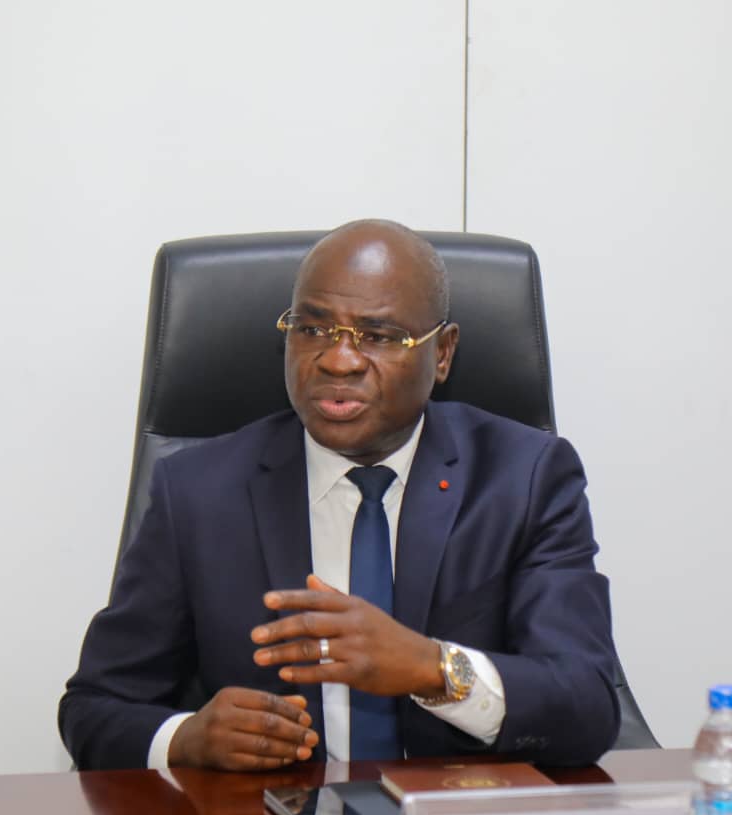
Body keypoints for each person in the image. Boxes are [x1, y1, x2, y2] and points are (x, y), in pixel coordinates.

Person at [59, 219, 619, 771]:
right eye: (312, 329)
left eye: (380, 337)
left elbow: (587, 705)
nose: (338, 360)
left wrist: (432, 668)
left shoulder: (524, 479)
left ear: (443, 352)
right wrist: (185, 739)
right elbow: (94, 707)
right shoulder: (198, 492)